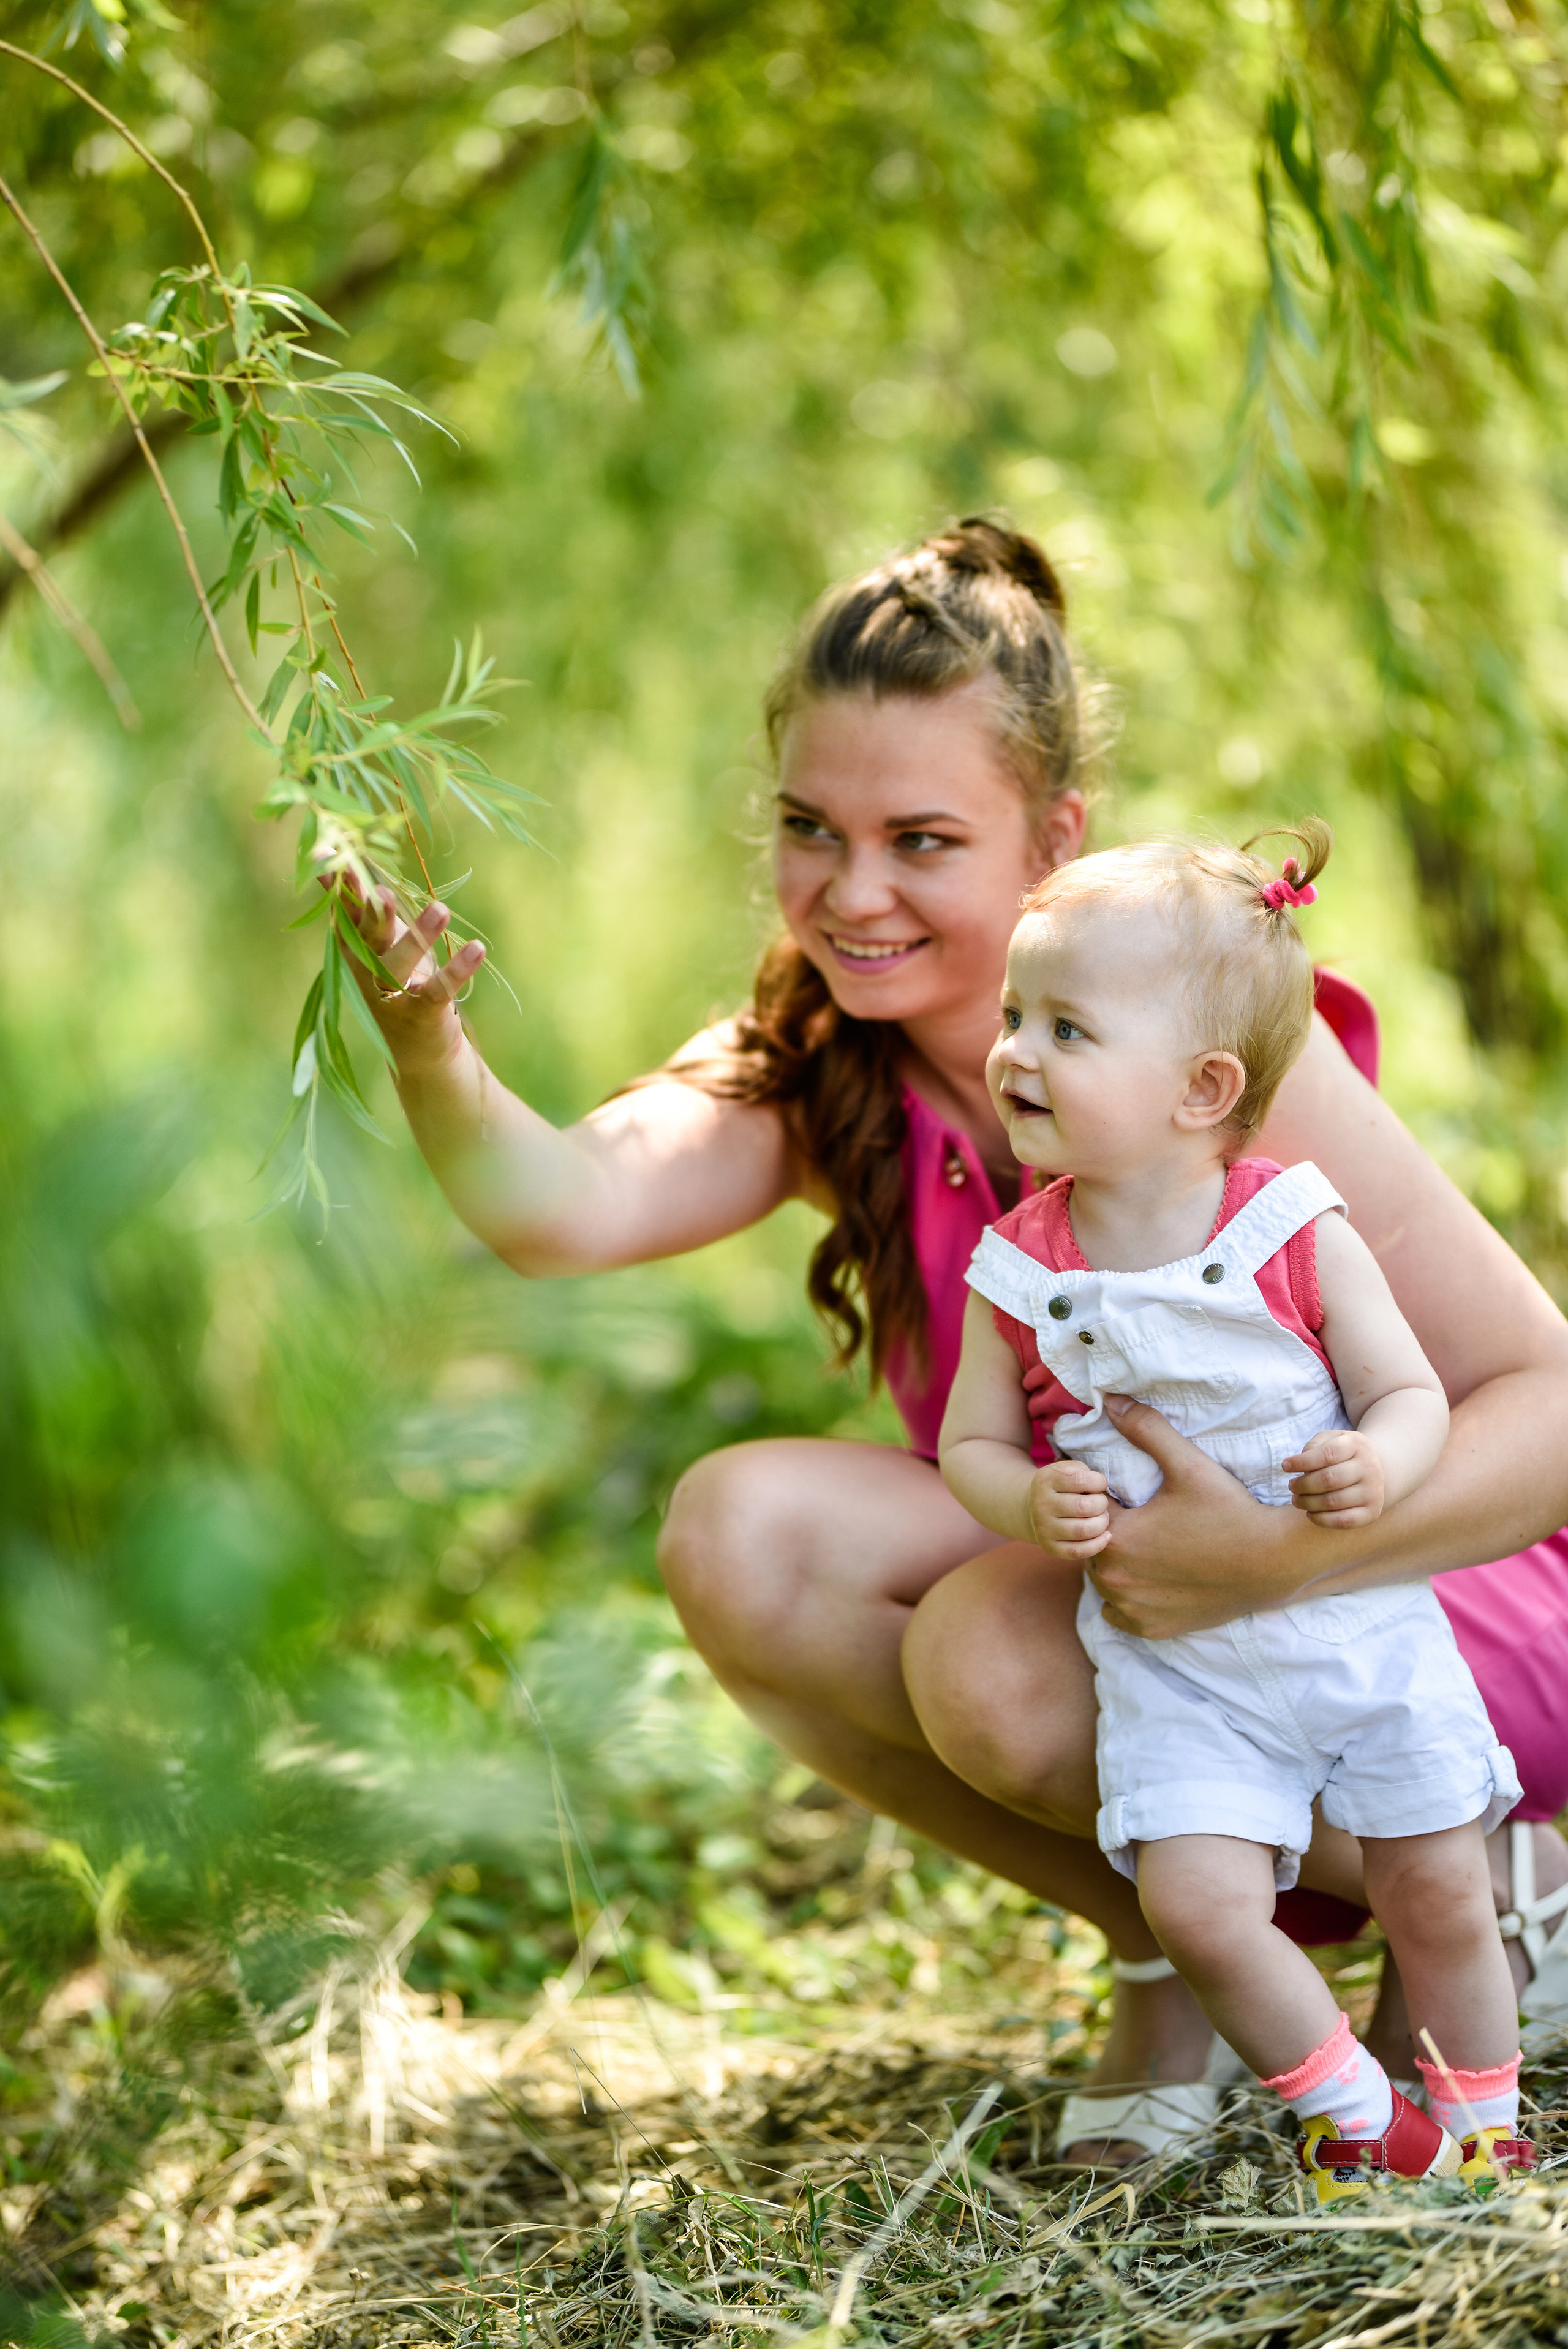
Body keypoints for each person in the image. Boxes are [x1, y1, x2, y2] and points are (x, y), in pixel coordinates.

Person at [344, 519, 1568, 2165]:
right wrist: (431, 1043)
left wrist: (1262, 1557)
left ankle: (1499, 1888)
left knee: (992, 1646)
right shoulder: (816, 1054)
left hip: (1406, 1586)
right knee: (746, 1531)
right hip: (1146, 1587)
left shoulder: (1214, 1050)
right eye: (807, 829)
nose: (851, 893)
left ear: (1054, 836)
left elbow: (1546, 1404)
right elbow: (558, 1203)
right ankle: (1177, 1946)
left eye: (921, 838)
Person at [938, 826, 1530, 2195]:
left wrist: (1376, 1461)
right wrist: (1026, 1496)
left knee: (1436, 1887)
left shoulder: (1285, 1230)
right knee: (1195, 1904)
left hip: (1346, 1625)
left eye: (1067, 1026)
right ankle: (1354, 2114)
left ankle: (1481, 2128)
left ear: (1201, 1088)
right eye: (1013, 1014)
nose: (1015, 1050)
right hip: (1175, 1667)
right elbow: (975, 1438)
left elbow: (1407, 1392)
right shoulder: (1018, 1271)